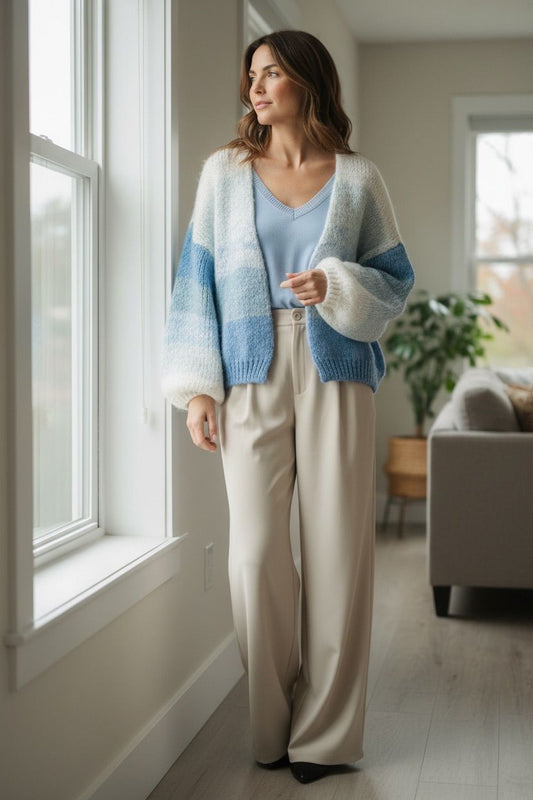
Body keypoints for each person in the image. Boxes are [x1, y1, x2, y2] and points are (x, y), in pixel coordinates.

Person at [161, 29, 415, 785]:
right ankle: (270, 725)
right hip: (247, 368)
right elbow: (193, 282)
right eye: (252, 75)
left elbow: (394, 282)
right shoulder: (223, 173)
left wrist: (333, 284)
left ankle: (326, 738)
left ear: (308, 81)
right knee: (255, 556)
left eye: (272, 73)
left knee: (339, 553)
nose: (257, 87)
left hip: (336, 365)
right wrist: (198, 388)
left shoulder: (359, 178)